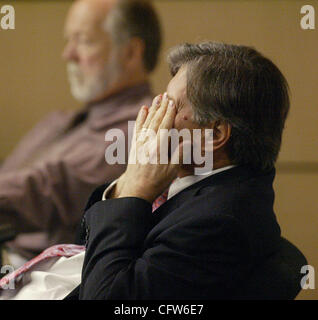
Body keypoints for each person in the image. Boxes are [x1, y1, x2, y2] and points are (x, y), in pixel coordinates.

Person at [0, 41, 290, 300]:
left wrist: (135, 193)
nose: (150, 115)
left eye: (170, 106)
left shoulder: (220, 223)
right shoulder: (196, 183)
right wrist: (128, 183)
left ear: (214, 134)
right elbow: (88, 245)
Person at [0, 0, 161, 266]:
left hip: (36, 277)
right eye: (68, 40)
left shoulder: (138, 132)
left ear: (130, 52)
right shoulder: (58, 120)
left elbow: (46, 190)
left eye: (83, 41)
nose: (67, 54)